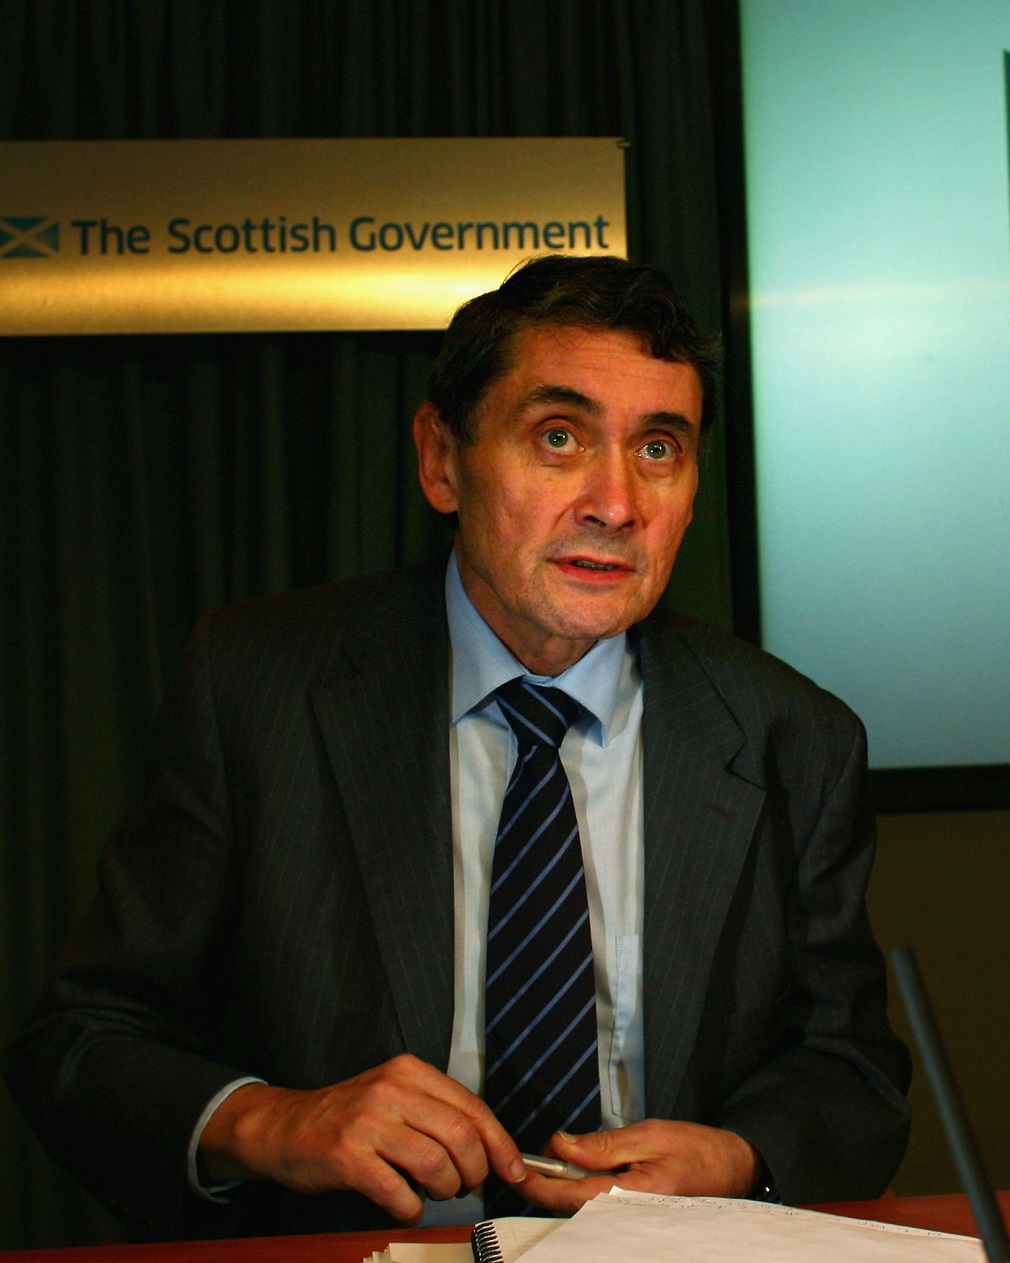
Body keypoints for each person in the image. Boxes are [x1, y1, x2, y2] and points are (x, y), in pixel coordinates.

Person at [5, 255, 910, 1239]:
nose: (615, 503)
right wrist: (274, 1120)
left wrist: (740, 1158)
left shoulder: (794, 738)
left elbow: (851, 1070)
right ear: (442, 460)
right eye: (559, 438)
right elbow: (81, 1042)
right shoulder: (257, 689)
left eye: (659, 449)